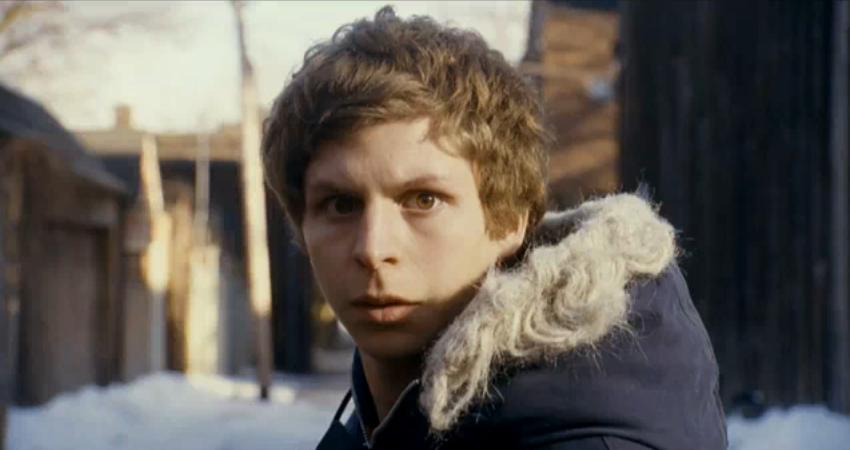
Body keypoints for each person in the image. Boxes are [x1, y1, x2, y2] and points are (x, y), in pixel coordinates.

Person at [262, 6, 727, 450]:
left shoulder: (588, 432)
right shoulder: (392, 414)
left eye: (423, 200)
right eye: (341, 204)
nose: (372, 248)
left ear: (511, 219)